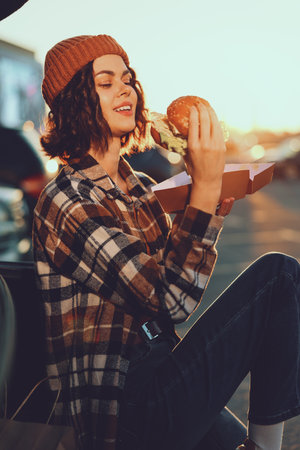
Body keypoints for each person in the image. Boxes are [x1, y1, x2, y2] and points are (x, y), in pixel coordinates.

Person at [32, 34, 300, 450]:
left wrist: (205, 206)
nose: (126, 88)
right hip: (121, 414)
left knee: (280, 292)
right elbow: (171, 300)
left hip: (164, 369)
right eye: (105, 82)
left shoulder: (140, 187)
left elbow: (173, 277)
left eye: (127, 78)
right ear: (73, 102)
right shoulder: (66, 199)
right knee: (278, 275)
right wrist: (207, 189)